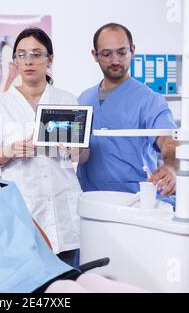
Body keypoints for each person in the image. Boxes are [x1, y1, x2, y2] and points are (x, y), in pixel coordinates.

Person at [0, 128, 145, 293]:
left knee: (106, 285)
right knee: (68, 289)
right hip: (16, 280)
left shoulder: (8, 188)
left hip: (49, 268)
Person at [0, 28, 86, 266]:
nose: (28, 61)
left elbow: (83, 155)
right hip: (24, 208)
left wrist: (74, 150)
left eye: (36, 54)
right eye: (21, 55)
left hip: (64, 208)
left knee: (67, 283)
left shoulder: (67, 101)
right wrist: (8, 152)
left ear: (50, 59)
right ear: (15, 61)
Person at [77, 23, 179, 204]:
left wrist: (171, 166)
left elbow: (168, 140)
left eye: (122, 52)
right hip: (91, 202)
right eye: (107, 54)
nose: (115, 60)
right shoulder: (84, 99)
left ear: (132, 50)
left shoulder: (149, 100)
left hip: (135, 201)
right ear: (95, 55)